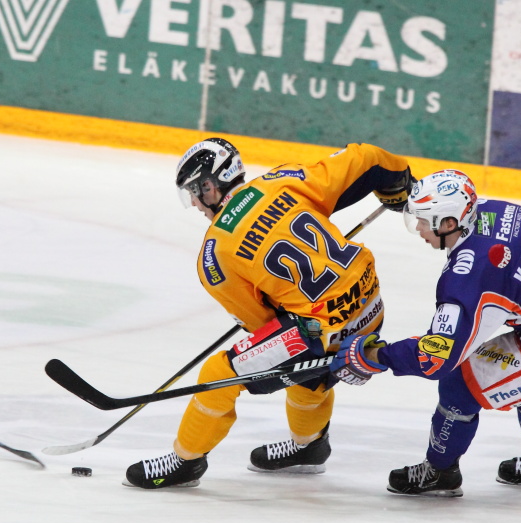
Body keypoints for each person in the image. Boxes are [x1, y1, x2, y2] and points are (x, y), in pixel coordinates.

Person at [124, 137, 414, 489]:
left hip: (321, 330)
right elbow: (366, 158)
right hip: (370, 304)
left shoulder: (216, 252)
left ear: (210, 185)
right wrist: (398, 181)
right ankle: (308, 447)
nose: (196, 203)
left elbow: (260, 322)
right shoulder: (282, 180)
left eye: (195, 192)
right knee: (308, 368)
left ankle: (185, 462)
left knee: (220, 371)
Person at [329, 169, 521, 496]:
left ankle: (440, 472)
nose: (418, 230)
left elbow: (436, 356)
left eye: (425, 222)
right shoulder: (492, 210)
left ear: (449, 224)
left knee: (460, 384)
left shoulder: (467, 280)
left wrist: (374, 355)